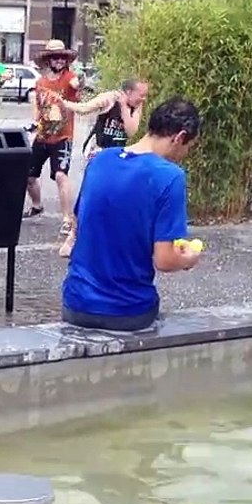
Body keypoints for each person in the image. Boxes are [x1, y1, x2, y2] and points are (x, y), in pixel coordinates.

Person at [61, 97, 204, 332]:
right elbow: (165, 261)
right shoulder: (169, 176)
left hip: (76, 305)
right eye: (188, 147)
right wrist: (189, 258)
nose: (185, 153)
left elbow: (79, 225)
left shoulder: (100, 160)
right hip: (126, 311)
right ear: (179, 137)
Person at [25, 39, 82, 256]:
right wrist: (34, 126)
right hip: (43, 135)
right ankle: (37, 205)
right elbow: (38, 106)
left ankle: (68, 218)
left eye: (62, 57)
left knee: (60, 175)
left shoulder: (69, 79)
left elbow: (78, 85)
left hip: (63, 136)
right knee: (29, 176)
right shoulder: (40, 82)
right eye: (55, 57)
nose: (59, 61)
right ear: (48, 60)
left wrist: (78, 84)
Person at [51, 78, 149, 159]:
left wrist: (124, 107)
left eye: (145, 96)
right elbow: (84, 108)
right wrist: (63, 103)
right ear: (129, 92)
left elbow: (131, 132)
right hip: (98, 147)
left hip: (116, 150)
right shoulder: (110, 98)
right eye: (141, 95)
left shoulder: (137, 106)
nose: (143, 99)